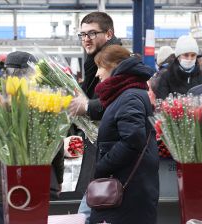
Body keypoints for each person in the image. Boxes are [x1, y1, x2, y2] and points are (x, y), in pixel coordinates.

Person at [0, 51, 65, 224]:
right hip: (37, 186)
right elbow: (56, 145)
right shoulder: (43, 102)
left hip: (6, 188)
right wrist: (58, 179)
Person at [89, 45, 159, 223]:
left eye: (100, 67)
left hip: (128, 187)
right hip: (131, 184)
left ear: (114, 66)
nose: (97, 73)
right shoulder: (127, 93)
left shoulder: (129, 96)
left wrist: (102, 166)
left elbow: (133, 139)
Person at [66, 11, 121, 218]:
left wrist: (88, 106)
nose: (86, 39)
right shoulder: (93, 60)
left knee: (93, 206)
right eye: (82, 34)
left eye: (91, 33)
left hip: (111, 145)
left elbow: (119, 101)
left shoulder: (115, 61)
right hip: (100, 143)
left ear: (108, 34)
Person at [154, 35, 202, 99]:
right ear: (178, 57)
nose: (190, 59)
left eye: (193, 55)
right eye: (186, 55)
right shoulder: (167, 76)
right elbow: (161, 101)